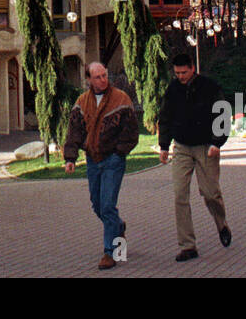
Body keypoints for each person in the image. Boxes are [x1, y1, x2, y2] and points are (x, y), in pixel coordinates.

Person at [63, 61, 140, 270]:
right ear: (88, 79)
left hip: (113, 160)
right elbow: (75, 131)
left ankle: (111, 252)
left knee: (107, 205)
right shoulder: (82, 102)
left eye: (105, 75)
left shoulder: (120, 99)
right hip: (93, 160)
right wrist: (70, 158)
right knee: (98, 205)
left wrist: (119, 152)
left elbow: (132, 131)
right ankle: (117, 226)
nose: (103, 80)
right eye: (97, 77)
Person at [157, 53, 232, 261]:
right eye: (177, 73)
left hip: (206, 146)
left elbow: (223, 115)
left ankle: (222, 224)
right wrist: (164, 145)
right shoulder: (173, 89)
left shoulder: (210, 87)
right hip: (181, 147)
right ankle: (187, 245)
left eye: (184, 72)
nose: (181, 76)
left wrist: (217, 143)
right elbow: (165, 117)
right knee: (180, 195)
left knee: (210, 193)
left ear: (192, 68)